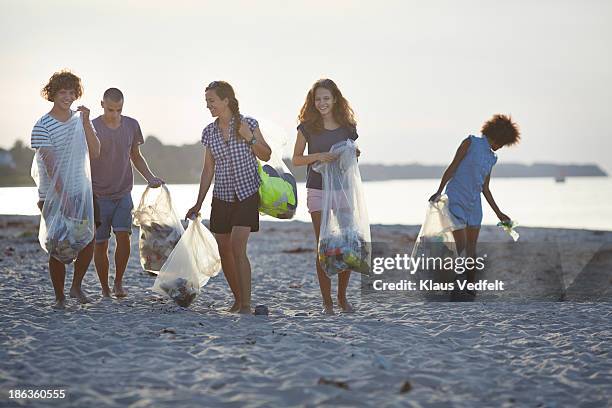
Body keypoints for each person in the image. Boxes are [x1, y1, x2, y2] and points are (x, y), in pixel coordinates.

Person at [186, 81, 271, 314]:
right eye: (207, 102)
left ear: (226, 100)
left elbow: (266, 154)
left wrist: (249, 138)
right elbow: (208, 170)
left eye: (211, 101)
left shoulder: (248, 124)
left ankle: (245, 304)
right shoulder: (209, 132)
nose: (208, 106)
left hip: (247, 193)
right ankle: (237, 298)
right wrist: (198, 203)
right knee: (224, 249)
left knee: (237, 245)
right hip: (221, 195)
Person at [31, 70, 101, 309]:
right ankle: (60, 296)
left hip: (81, 189)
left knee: (88, 237)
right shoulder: (42, 126)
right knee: (59, 246)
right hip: (53, 196)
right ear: (52, 94)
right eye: (63, 92)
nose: (68, 97)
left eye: (72, 92)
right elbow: (51, 168)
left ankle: (76, 286)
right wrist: (64, 201)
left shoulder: (80, 120)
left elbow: (96, 152)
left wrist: (86, 123)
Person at [429, 114, 521, 295]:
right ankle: (450, 280)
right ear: (497, 135)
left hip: (474, 204)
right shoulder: (470, 143)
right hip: (456, 198)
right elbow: (453, 166)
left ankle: (470, 288)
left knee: (471, 248)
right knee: (461, 245)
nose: (501, 147)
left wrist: (499, 213)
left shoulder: (492, 158)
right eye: (501, 143)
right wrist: (439, 191)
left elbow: (485, 188)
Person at [292, 78, 361, 315]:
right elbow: (297, 159)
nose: (322, 103)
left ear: (335, 100)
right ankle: (327, 303)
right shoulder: (307, 127)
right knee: (324, 245)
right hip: (317, 189)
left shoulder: (347, 127)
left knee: (346, 243)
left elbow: (350, 160)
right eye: (318, 99)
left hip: (343, 189)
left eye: (326, 98)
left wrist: (354, 154)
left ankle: (342, 298)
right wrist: (319, 155)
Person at [90, 88, 164, 298]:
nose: (114, 114)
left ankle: (118, 282)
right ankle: (104, 287)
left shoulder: (131, 125)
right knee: (101, 243)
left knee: (124, 237)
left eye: (118, 109)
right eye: (110, 109)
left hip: (123, 192)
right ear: (102, 104)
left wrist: (150, 177)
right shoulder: (92, 127)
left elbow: (136, 156)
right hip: (97, 194)